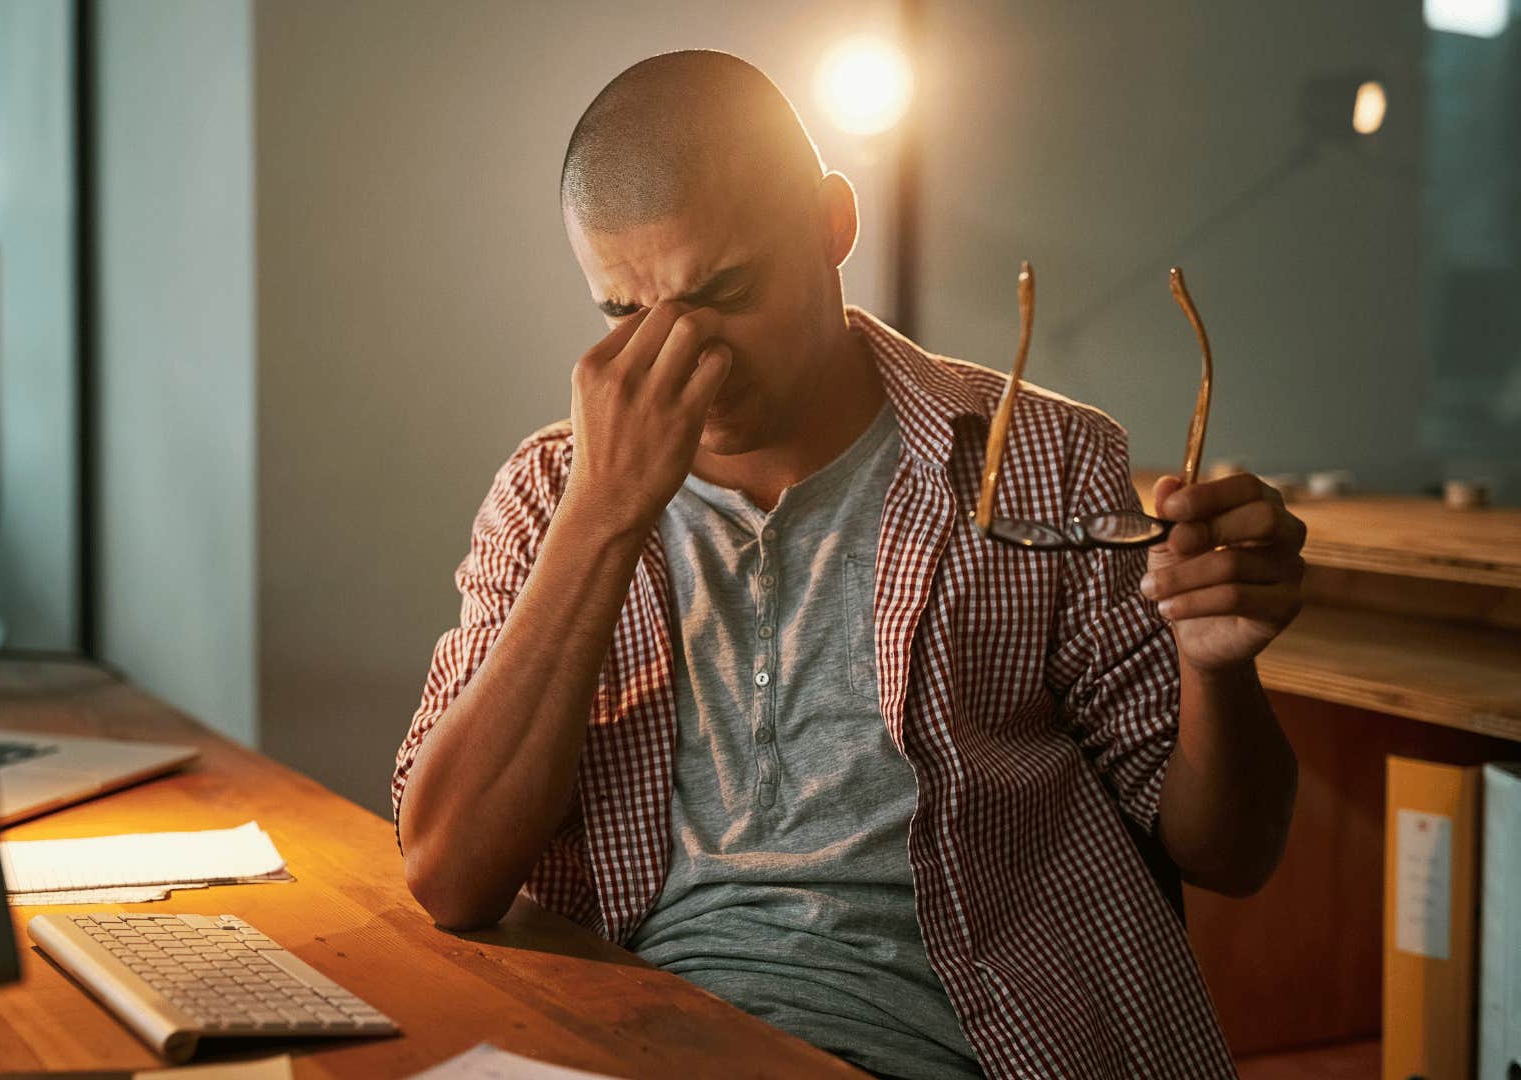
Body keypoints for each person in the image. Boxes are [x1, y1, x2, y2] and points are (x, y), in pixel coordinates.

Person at [393, 50, 1303, 1078]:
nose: (687, 357)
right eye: (625, 315)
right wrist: (602, 519)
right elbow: (447, 874)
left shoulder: (1043, 461)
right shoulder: (550, 494)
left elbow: (1232, 854)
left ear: (834, 224)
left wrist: (1218, 669)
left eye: (725, 291)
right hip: (635, 1038)